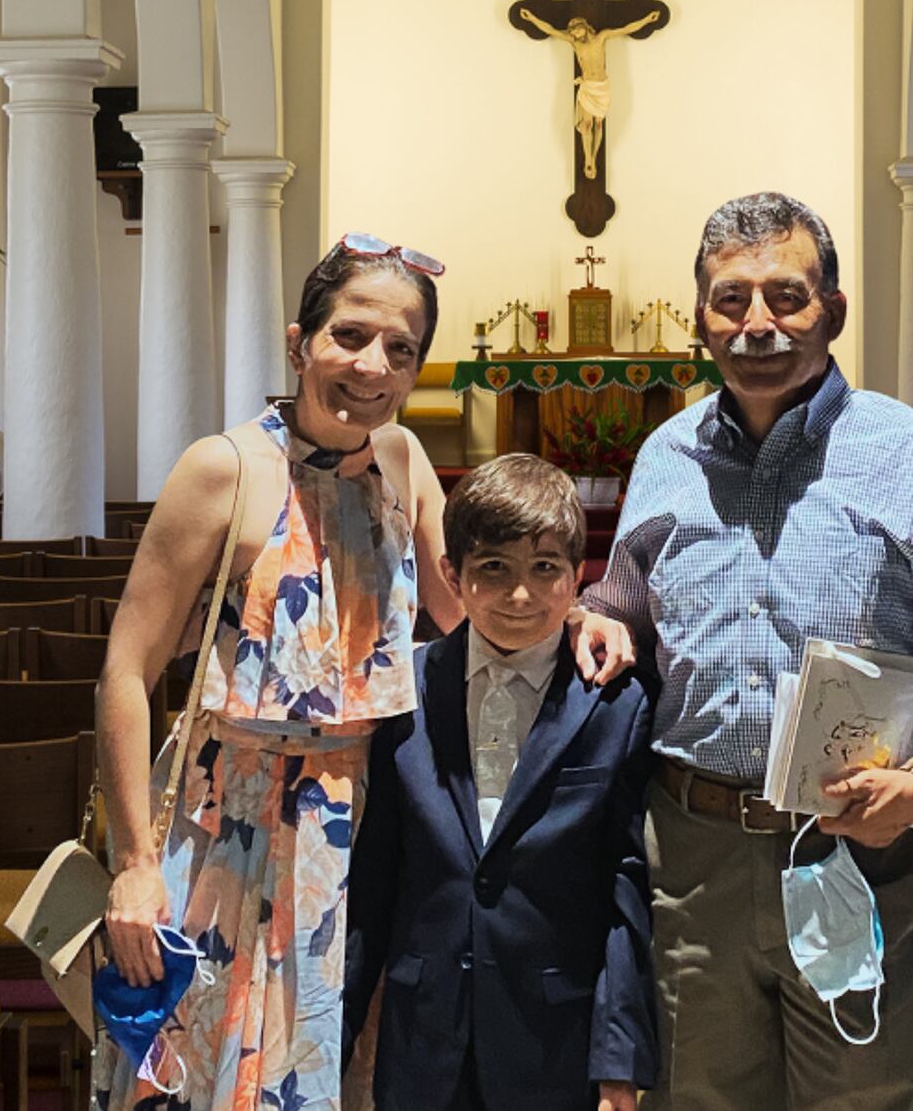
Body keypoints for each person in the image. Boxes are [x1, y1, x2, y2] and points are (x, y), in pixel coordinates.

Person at [92, 234, 637, 1109]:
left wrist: (572, 614)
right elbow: (126, 669)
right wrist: (135, 862)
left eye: (401, 349)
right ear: (299, 339)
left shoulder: (402, 462)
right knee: (203, 1074)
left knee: (331, 1075)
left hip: (364, 830)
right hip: (230, 820)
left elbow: (471, 607)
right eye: (349, 335)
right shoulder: (223, 471)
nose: (372, 366)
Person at [578, 193, 913, 1110]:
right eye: (731, 299)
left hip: (857, 851)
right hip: (694, 860)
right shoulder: (667, 453)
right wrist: (599, 613)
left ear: (832, 310)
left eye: (786, 296)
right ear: (699, 316)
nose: (757, 323)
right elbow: (628, 602)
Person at [344, 454, 657, 1111]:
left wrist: (619, 1061)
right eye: (494, 568)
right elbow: (374, 877)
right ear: (452, 576)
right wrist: (334, 1037)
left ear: (578, 578)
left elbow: (625, 893)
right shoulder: (406, 692)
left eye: (546, 569)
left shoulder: (613, 704)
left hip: (553, 1035)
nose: (521, 595)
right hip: (425, 1028)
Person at [518, 7, 663, 174]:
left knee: (599, 125)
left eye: (577, 29)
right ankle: (588, 159)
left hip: (601, 87)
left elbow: (626, 29)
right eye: (572, 31)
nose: (574, 34)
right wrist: (531, 18)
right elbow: (551, 30)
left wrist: (647, 20)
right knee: (587, 125)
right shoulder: (575, 44)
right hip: (588, 87)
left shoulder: (602, 37)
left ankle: (594, 156)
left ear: (585, 27)